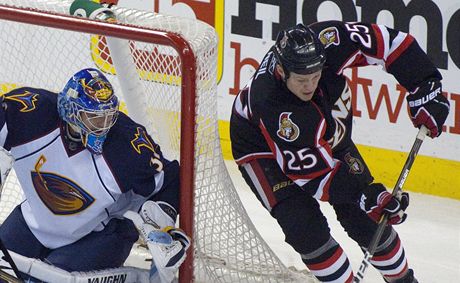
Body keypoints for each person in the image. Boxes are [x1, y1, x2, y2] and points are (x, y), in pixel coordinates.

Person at [230, 22, 449, 283]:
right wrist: (366, 194)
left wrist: (425, 84)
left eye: (315, 76)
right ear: (281, 70)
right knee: (305, 228)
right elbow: (316, 178)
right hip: (259, 147)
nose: (310, 85)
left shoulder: (329, 41)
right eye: (301, 79)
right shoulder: (273, 104)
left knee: (367, 221)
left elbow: (390, 43)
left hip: (325, 129)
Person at [0, 68, 189, 282]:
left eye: (108, 117)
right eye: (95, 118)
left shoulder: (126, 145)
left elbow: (170, 179)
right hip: (34, 222)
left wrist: (162, 225)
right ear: (70, 111)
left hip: (99, 235)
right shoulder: (32, 115)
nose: (104, 126)